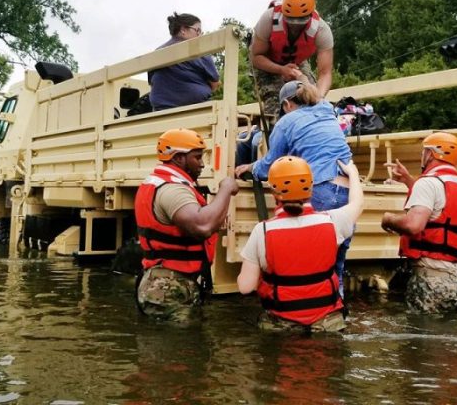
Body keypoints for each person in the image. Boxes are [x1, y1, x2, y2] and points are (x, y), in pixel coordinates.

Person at [234, 80, 354, 295]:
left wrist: (249, 167)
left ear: (287, 104)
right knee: (335, 266)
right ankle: (335, 310)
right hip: (347, 189)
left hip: (320, 188)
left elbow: (271, 164)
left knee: (308, 262)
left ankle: (301, 311)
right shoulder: (328, 112)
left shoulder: (287, 121)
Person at [236, 156, 363, 332]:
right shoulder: (333, 221)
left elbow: (245, 287)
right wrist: (353, 173)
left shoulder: (262, 231)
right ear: (311, 188)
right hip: (327, 324)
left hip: (283, 325)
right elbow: (357, 203)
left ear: (274, 193)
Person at [134, 128, 239, 321]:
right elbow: (203, 226)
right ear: (179, 158)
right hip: (168, 285)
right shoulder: (172, 189)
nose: (202, 164)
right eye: (197, 158)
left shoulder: (161, 182)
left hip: (165, 280)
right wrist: (225, 189)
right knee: (178, 348)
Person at [381, 132, 457, 313]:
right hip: (455, 281)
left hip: (430, 281)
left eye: (423, 152)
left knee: (424, 338)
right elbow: (439, 209)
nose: (421, 156)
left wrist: (388, 219)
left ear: (431, 154)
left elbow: (413, 225)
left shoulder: (428, 183)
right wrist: (410, 181)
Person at [250, 0, 334, 119]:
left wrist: (318, 97)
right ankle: (275, 131)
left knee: (309, 99)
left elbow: (325, 73)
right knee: (276, 105)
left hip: (297, 62)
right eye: (290, 21)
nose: (294, 27)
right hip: (267, 62)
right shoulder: (268, 19)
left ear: (310, 15)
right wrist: (281, 69)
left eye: (300, 22)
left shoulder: (322, 30)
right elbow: (256, 57)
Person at [149, 13, 220, 111]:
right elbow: (215, 83)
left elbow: (152, 82)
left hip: (160, 111)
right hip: (195, 110)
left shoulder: (156, 53)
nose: (200, 35)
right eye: (197, 30)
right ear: (183, 30)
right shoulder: (198, 50)